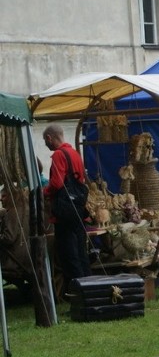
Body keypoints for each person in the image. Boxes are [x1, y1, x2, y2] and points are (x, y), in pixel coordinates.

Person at [43, 124, 92, 294]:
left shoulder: (58, 155)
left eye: (45, 141)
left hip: (64, 211)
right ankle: (90, 288)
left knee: (69, 254)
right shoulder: (75, 154)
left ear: (50, 138)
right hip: (78, 209)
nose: (46, 145)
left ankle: (79, 293)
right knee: (81, 252)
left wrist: (44, 192)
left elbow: (57, 183)